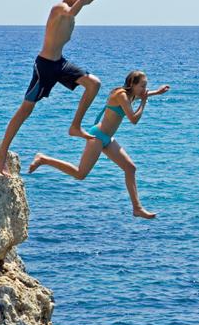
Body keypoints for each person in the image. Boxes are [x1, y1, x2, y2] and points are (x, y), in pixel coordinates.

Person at [0, 0, 118, 177]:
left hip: (60, 64)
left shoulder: (74, 5)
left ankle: (75, 126)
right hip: (45, 66)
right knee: (25, 110)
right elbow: (74, 10)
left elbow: (86, 1)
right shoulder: (59, 8)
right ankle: (1, 154)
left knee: (93, 83)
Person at [28, 70, 167, 220]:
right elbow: (133, 119)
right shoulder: (121, 95)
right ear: (132, 84)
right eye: (143, 85)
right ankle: (43, 159)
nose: (145, 89)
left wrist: (156, 93)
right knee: (80, 174)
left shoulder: (130, 94)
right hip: (97, 137)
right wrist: (144, 102)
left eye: (146, 86)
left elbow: (140, 95)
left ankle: (137, 208)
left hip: (107, 138)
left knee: (130, 168)